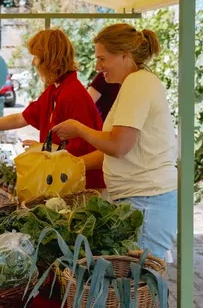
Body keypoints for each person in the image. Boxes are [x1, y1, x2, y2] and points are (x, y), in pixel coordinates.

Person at [52, 24, 177, 259]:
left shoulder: (138, 83)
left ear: (125, 56)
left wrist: (79, 128)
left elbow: (118, 146)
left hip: (146, 201)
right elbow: (112, 149)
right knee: (135, 286)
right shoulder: (135, 83)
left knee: (139, 286)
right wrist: (71, 164)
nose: (98, 67)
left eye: (102, 59)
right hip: (142, 199)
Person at [0, 29, 104, 190]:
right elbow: (21, 118)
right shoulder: (55, 89)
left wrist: (43, 150)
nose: (33, 62)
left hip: (84, 185)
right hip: (65, 179)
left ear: (50, 59)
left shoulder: (73, 94)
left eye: (36, 57)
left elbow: (80, 151)